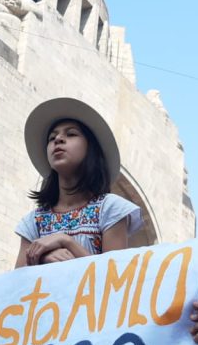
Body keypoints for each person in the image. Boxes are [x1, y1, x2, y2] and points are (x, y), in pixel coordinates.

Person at [15, 97, 142, 267]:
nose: (58, 139)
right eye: (52, 138)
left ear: (91, 148)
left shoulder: (111, 210)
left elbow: (114, 278)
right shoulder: (33, 221)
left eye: (71, 134)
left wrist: (66, 241)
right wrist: (43, 257)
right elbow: (18, 284)